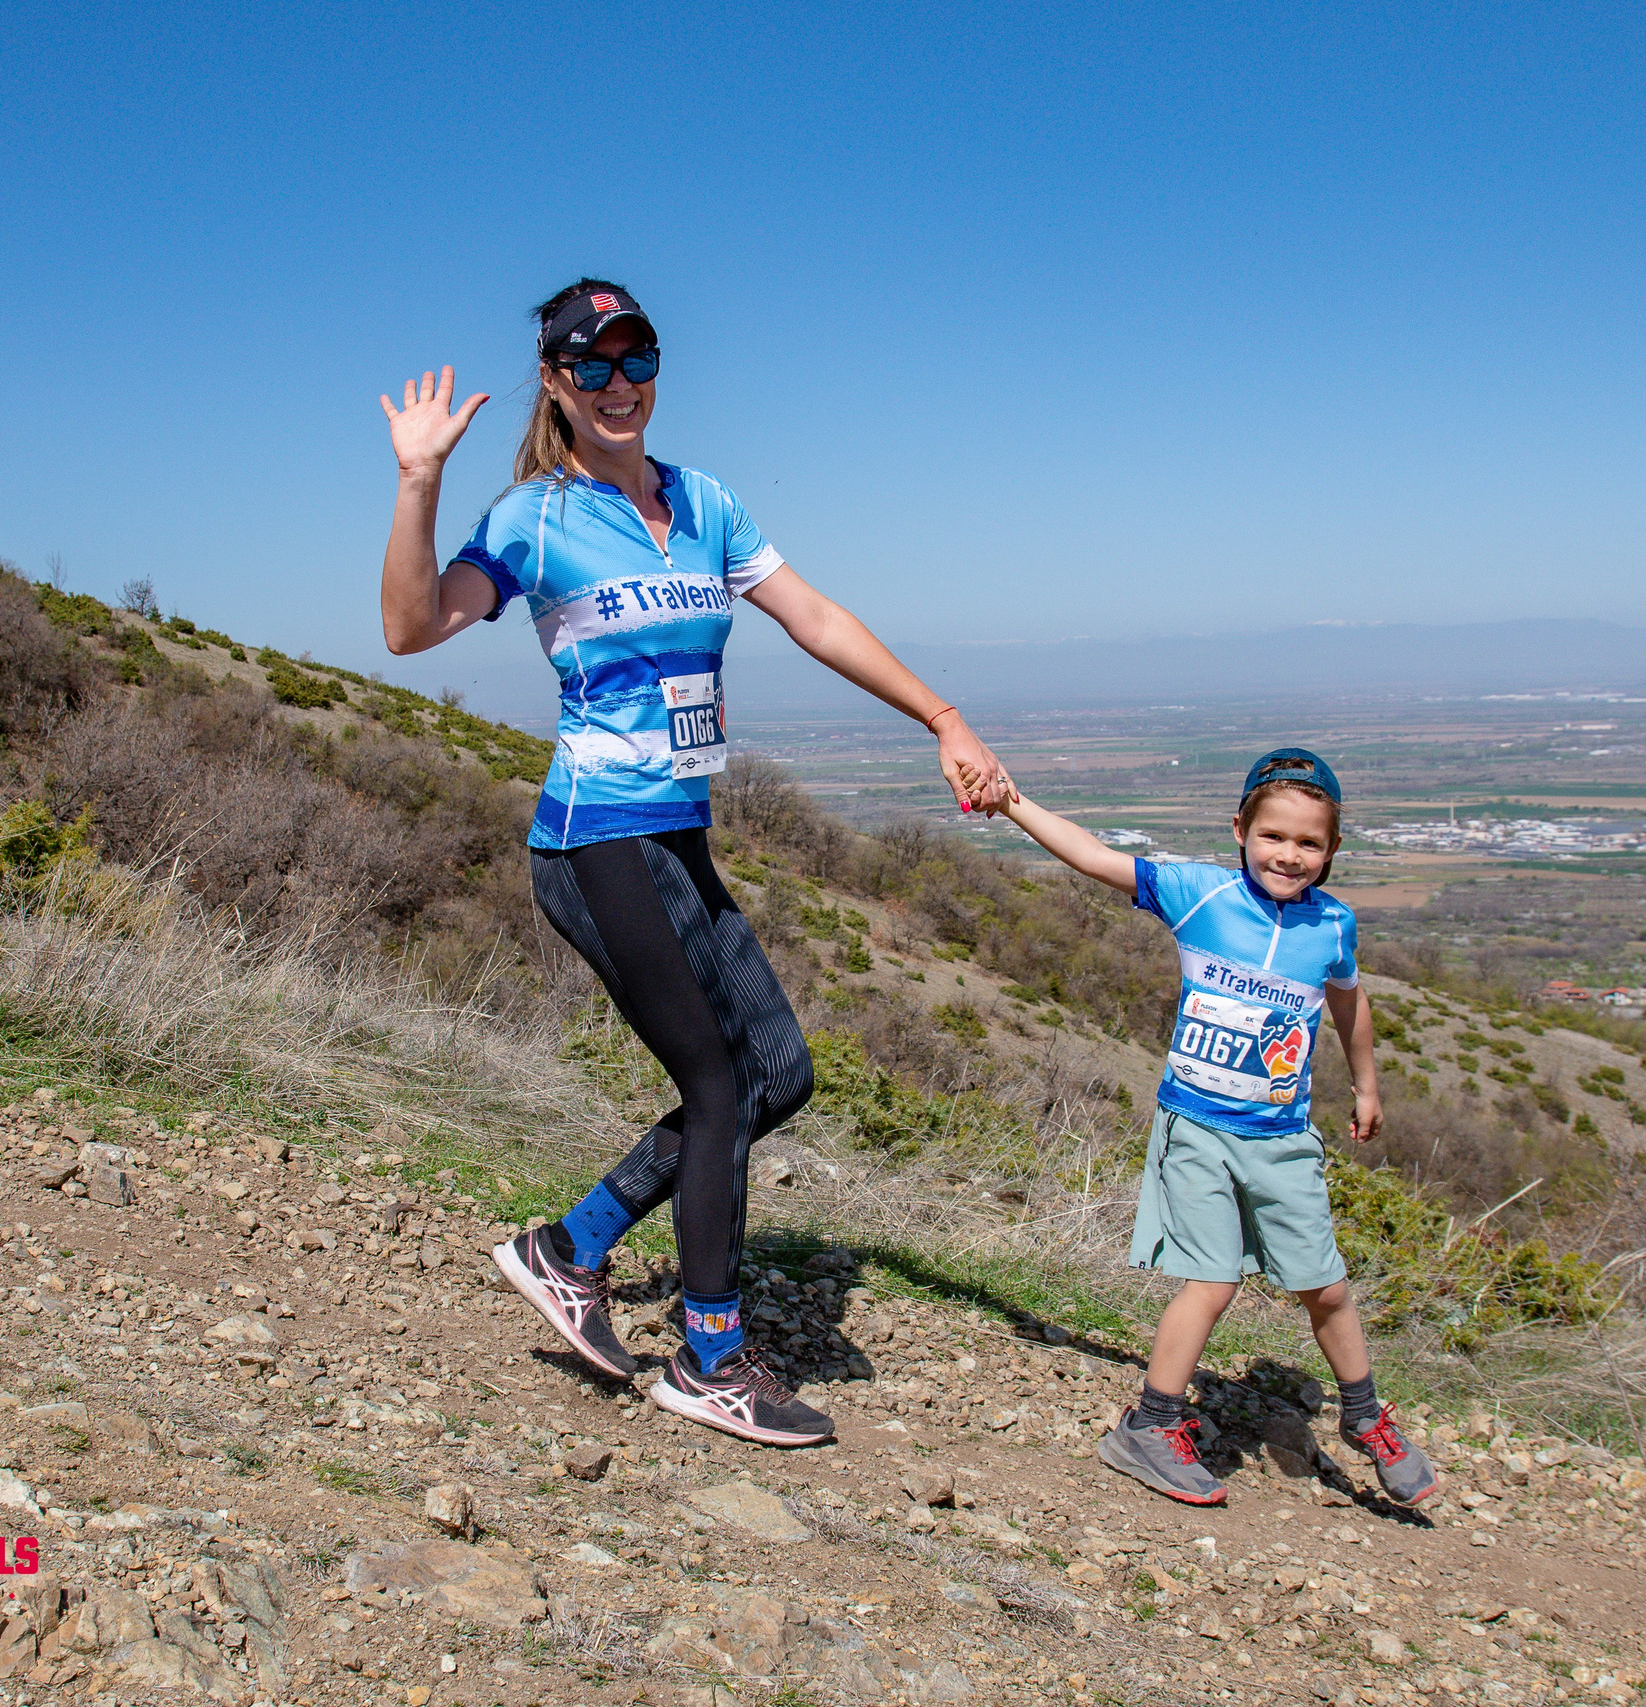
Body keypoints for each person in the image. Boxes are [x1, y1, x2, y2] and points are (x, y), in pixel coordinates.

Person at [377, 279, 1013, 1447]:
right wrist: (419, 483)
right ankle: (710, 1358)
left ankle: (567, 1247)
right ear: (557, 384)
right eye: (594, 366)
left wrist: (942, 717)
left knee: (776, 1072)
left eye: (638, 360)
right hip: (594, 838)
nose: (621, 386)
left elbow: (811, 615)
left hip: (673, 831)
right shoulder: (535, 517)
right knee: (719, 1086)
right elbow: (412, 627)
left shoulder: (704, 503)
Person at [993, 749, 1439, 1507]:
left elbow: (1349, 1002)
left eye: (1308, 843)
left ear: (1333, 851)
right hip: (1195, 1127)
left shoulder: (1333, 924)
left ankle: (1364, 1415)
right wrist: (1011, 804)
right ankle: (1150, 1424)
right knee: (1213, 1278)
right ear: (1240, 828)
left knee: (1324, 1286)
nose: (1288, 855)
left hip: (1282, 1139)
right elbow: (1096, 856)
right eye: (1273, 835)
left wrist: (1366, 1084)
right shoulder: (1202, 895)